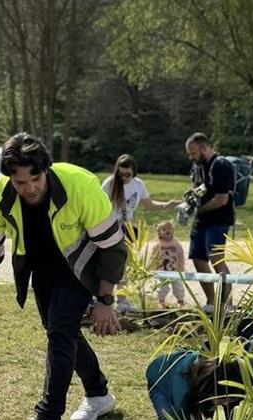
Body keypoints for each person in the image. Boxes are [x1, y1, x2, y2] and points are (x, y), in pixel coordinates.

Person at [0, 132, 127, 420]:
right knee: (62, 332)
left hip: (85, 264)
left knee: (60, 331)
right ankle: (99, 394)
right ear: (10, 177)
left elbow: (113, 248)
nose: (30, 189)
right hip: (42, 268)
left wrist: (106, 299)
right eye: (20, 182)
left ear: (46, 169)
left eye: (35, 179)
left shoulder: (80, 186)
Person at [101, 154, 179, 310]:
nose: (124, 177)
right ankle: (101, 300)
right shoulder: (109, 184)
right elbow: (98, 207)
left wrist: (167, 205)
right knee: (109, 264)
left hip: (128, 229)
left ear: (134, 172)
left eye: (128, 174)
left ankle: (122, 301)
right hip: (109, 228)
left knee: (127, 264)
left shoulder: (138, 184)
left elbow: (149, 205)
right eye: (121, 174)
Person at [184, 133, 236, 311]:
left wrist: (199, 209)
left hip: (218, 220)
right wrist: (188, 204)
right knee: (198, 259)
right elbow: (196, 189)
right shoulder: (197, 166)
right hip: (201, 220)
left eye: (193, 153)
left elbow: (222, 199)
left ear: (204, 148)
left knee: (216, 259)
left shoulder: (221, 165)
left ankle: (227, 303)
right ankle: (211, 302)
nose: (191, 157)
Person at [152, 220, 187, 307]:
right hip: (162, 270)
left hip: (175, 269)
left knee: (178, 286)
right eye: (163, 229)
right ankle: (161, 301)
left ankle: (180, 300)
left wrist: (181, 266)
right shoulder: (158, 245)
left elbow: (180, 255)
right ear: (159, 233)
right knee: (162, 287)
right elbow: (154, 257)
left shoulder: (176, 244)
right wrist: (154, 267)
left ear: (173, 231)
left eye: (169, 228)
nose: (167, 230)